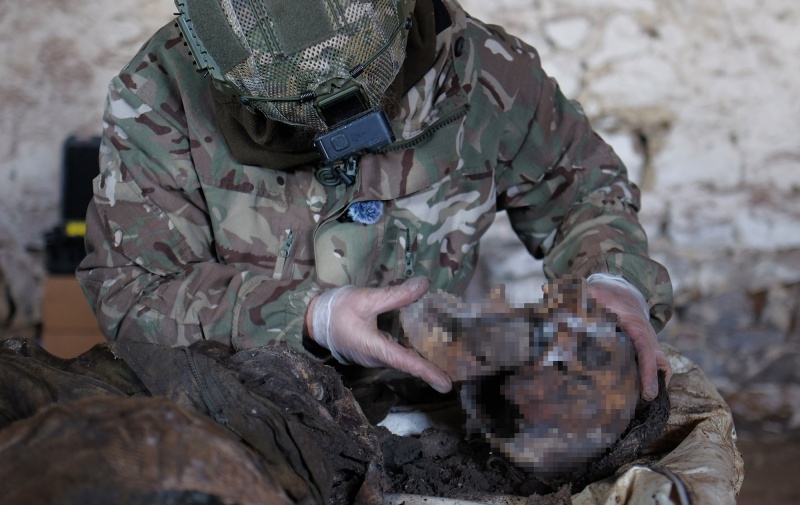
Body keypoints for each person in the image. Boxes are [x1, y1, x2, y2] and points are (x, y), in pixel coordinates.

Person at [77, 0, 673, 402]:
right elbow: (131, 289)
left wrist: (612, 279)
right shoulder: (159, 93)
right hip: (243, 417)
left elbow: (584, 192)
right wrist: (311, 316)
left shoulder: (486, 74)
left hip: (428, 409)